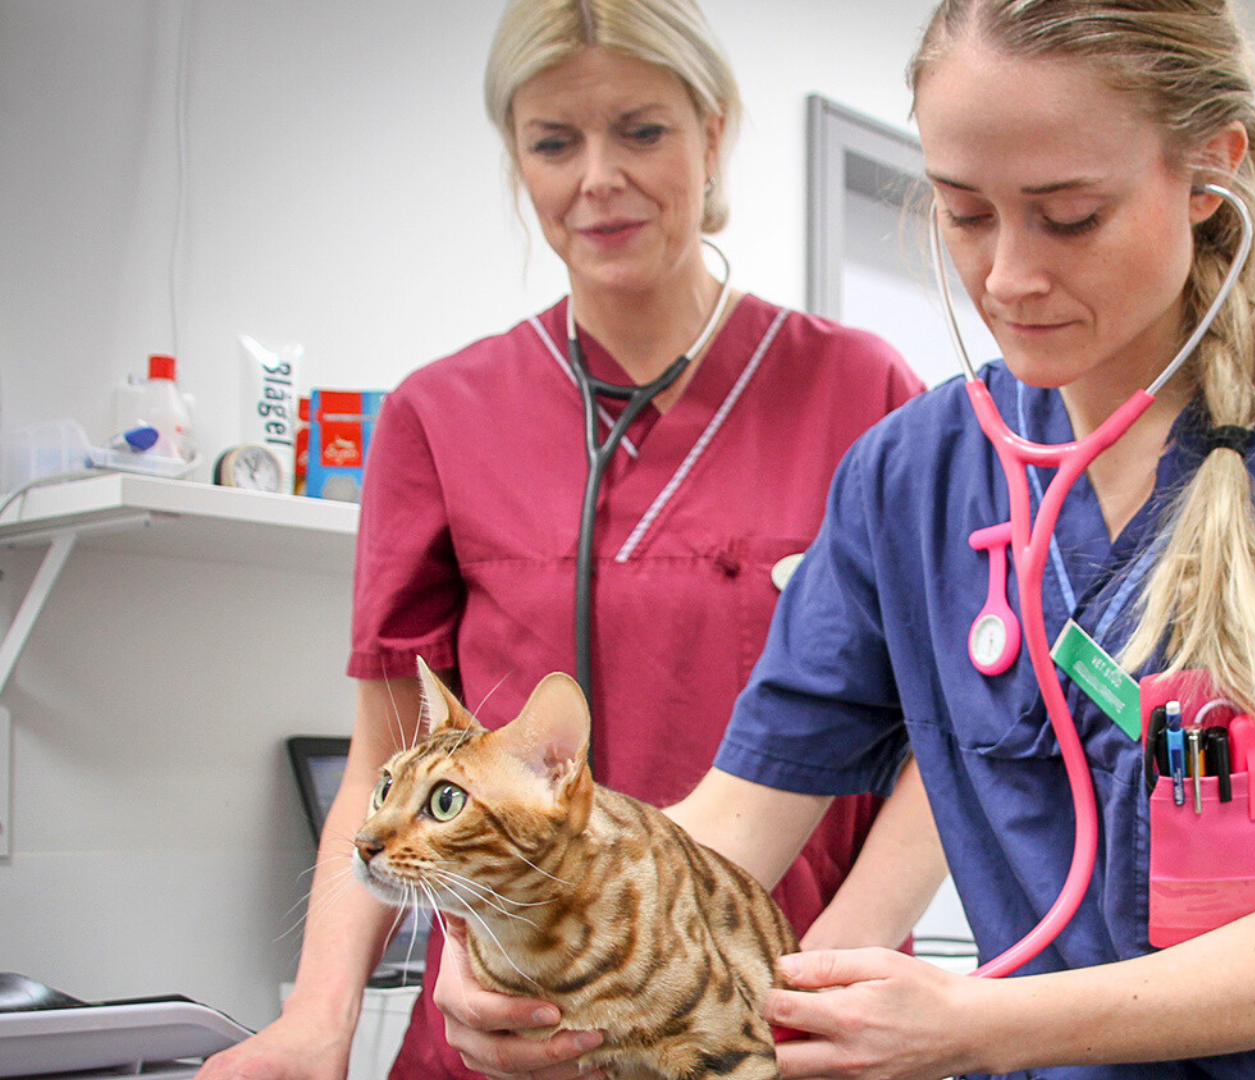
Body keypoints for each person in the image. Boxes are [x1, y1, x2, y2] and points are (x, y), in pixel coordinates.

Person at [437, 0, 1255, 1078]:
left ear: (1212, 169)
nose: (1009, 277)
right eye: (965, 212)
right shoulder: (911, 477)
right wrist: (505, 925)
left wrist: (983, 1027)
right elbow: (730, 829)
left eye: (1069, 214)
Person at [197, 2, 933, 1079]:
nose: (598, 177)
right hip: (504, 1028)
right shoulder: (437, 416)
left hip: (781, 1023)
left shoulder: (859, 389)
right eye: (553, 141)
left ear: (713, 131)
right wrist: (319, 1019)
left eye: (640, 130)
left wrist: (814, 981)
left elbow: (947, 734)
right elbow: (380, 758)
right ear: (517, 158)